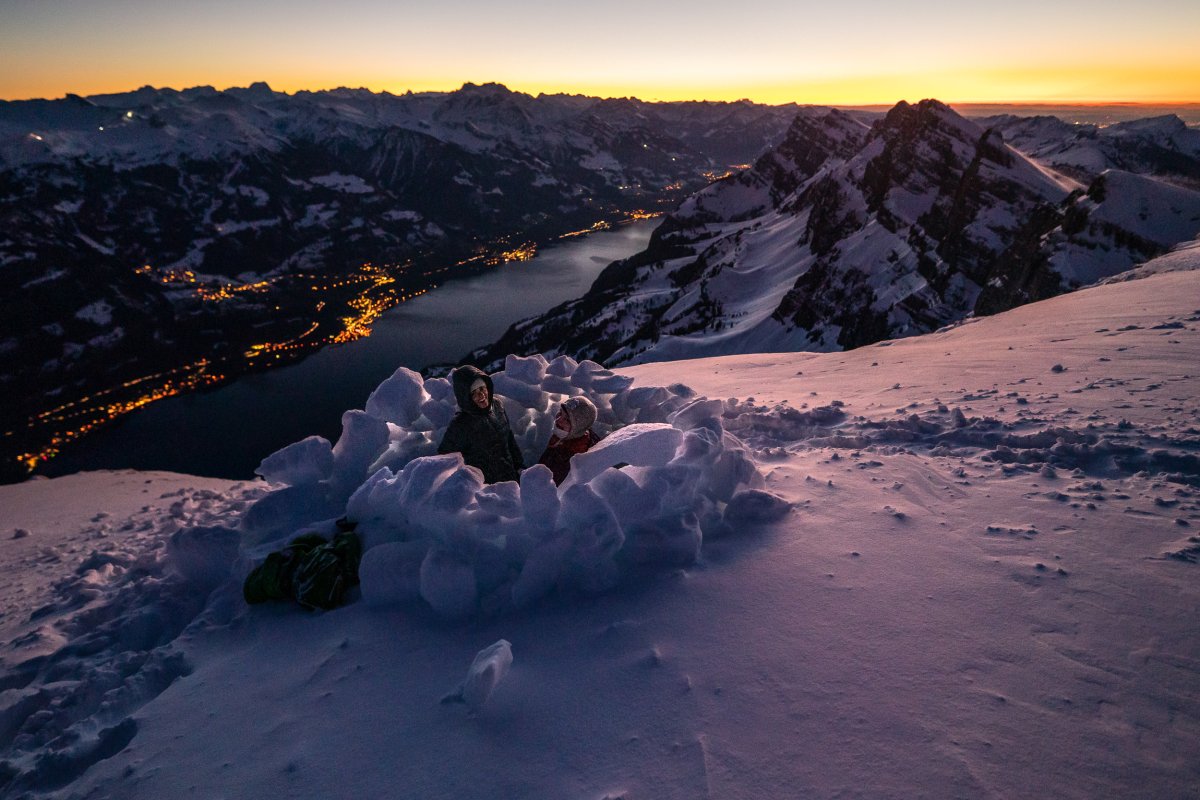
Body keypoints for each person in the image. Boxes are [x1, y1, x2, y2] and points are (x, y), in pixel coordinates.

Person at [437, 365, 524, 484]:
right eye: (474, 392)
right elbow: (444, 460)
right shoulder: (460, 425)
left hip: (511, 480)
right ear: (465, 397)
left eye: (482, 388)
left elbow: (509, 438)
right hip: (486, 492)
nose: (481, 395)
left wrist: (520, 466)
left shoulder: (497, 406)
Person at [537, 396, 601, 485]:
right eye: (560, 413)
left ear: (578, 427)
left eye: (567, 419)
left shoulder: (575, 461)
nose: (559, 420)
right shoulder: (567, 436)